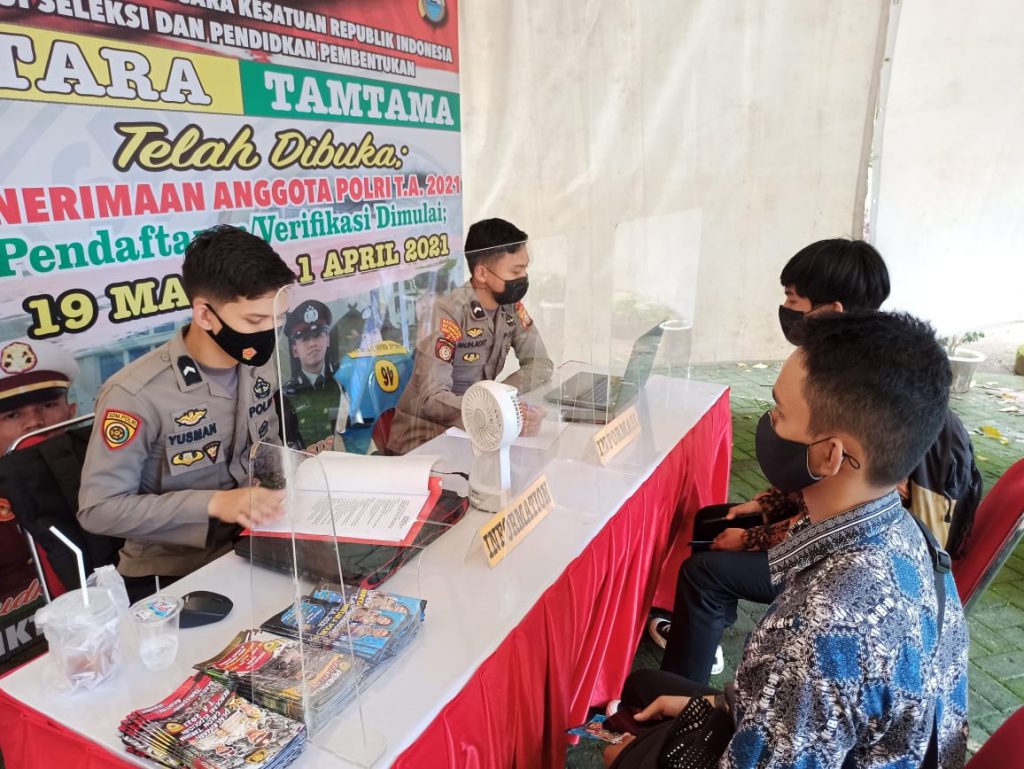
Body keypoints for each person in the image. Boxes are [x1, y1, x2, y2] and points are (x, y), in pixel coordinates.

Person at [606, 311, 969, 769]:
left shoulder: (818, 632)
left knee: (629, 745)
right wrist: (723, 705)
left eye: (779, 413)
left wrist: (627, 760)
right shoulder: (908, 532)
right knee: (645, 688)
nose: (768, 422)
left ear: (830, 454)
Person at [655, 238, 981, 685]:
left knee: (705, 569)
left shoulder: (824, 623)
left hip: (846, 556)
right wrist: (764, 507)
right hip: (868, 544)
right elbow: (835, 502)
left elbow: (835, 523)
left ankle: (685, 677)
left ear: (832, 311)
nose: (771, 422)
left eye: (793, 300)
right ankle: (703, 629)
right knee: (716, 520)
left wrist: (753, 538)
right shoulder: (881, 378)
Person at [77, 225, 295, 602]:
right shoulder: (135, 394)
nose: (270, 333)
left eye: (279, 318)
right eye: (255, 321)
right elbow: (98, 510)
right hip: (172, 574)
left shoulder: (257, 366)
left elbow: (267, 451)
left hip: (255, 545)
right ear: (205, 315)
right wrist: (215, 503)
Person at [386, 218, 554, 454]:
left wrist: (502, 402)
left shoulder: (511, 308)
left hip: (476, 429)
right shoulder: (448, 313)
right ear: (482, 273)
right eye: (516, 271)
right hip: (424, 439)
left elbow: (541, 364)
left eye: (525, 268)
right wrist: (495, 410)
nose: (524, 277)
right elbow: (431, 398)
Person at [0, 338, 79, 663]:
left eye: (47, 406)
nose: (34, 423)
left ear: (71, 411)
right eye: (12, 414)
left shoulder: (102, 472)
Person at [281, 299, 350, 451]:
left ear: (328, 339)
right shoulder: (286, 396)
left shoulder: (345, 381)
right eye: (305, 338)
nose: (312, 343)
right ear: (295, 350)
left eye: (318, 334)